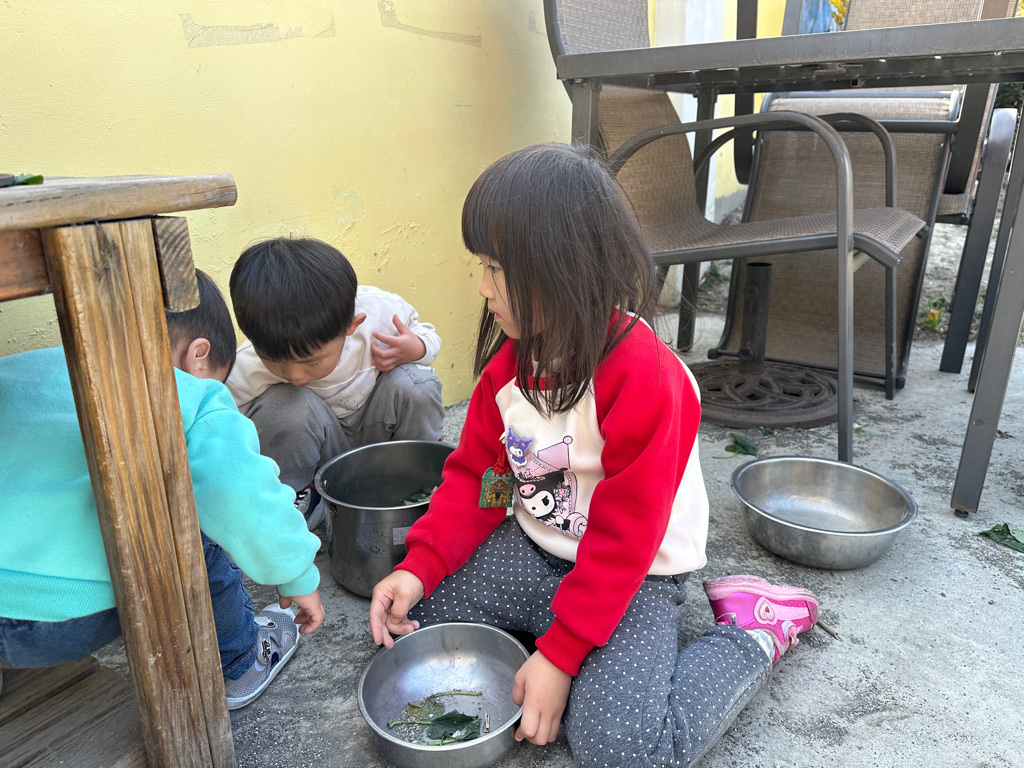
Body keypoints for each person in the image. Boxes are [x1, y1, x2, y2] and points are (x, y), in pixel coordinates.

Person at [367, 143, 820, 767]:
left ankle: (752, 631)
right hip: (536, 550)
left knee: (617, 748)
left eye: (496, 269)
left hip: (635, 575)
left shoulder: (645, 380)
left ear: (561, 269)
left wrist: (560, 654)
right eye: (483, 266)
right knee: (414, 628)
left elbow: (625, 536)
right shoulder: (508, 372)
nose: (483, 287)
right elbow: (483, 480)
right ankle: (566, 648)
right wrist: (419, 567)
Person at [0, 270, 325, 710]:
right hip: (67, 619)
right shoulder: (187, 392)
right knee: (194, 509)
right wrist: (296, 573)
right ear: (198, 355)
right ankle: (240, 660)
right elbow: (241, 498)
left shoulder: (18, 370)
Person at [225, 237, 445, 528]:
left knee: (415, 382)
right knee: (285, 405)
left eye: (312, 361)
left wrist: (416, 347)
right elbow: (221, 420)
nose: (295, 376)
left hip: (381, 435)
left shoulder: (380, 314)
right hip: (320, 457)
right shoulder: (247, 363)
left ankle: (424, 476)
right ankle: (297, 497)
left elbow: (427, 334)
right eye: (277, 364)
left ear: (351, 326)